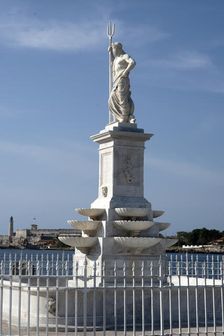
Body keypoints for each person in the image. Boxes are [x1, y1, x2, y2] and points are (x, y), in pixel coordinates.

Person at [108, 42, 136, 123]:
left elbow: (133, 62)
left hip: (122, 79)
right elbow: (111, 64)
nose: (113, 51)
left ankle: (125, 117)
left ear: (118, 49)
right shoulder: (116, 59)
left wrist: (126, 72)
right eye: (113, 49)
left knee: (122, 99)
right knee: (112, 99)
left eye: (114, 49)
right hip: (116, 81)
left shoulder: (125, 56)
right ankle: (119, 116)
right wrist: (110, 54)